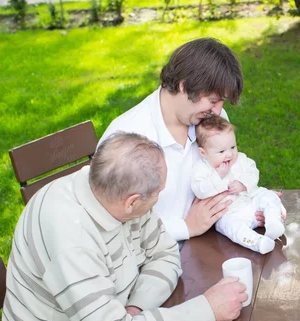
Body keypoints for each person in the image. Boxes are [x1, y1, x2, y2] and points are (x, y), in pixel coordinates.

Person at [2, 132, 248, 321]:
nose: (158, 199)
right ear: (131, 201)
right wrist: (208, 308)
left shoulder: (111, 191)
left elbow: (164, 253)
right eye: (157, 194)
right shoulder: (72, 238)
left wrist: (136, 307)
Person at [99, 37, 244, 243]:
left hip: (211, 238)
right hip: (150, 258)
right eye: (212, 101)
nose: (219, 111)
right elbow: (114, 227)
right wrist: (186, 227)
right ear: (184, 86)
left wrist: (248, 197)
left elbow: (228, 172)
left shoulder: (211, 123)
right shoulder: (128, 139)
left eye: (221, 101)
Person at [191, 115, 284, 254]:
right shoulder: (202, 169)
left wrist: (242, 184)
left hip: (251, 200)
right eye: (221, 151)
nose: (229, 154)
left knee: (268, 196)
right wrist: (218, 176)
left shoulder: (240, 159)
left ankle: (273, 223)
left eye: (233, 147)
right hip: (230, 212)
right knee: (230, 227)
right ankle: (257, 242)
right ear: (204, 153)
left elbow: (253, 171)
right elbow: (200, 190)